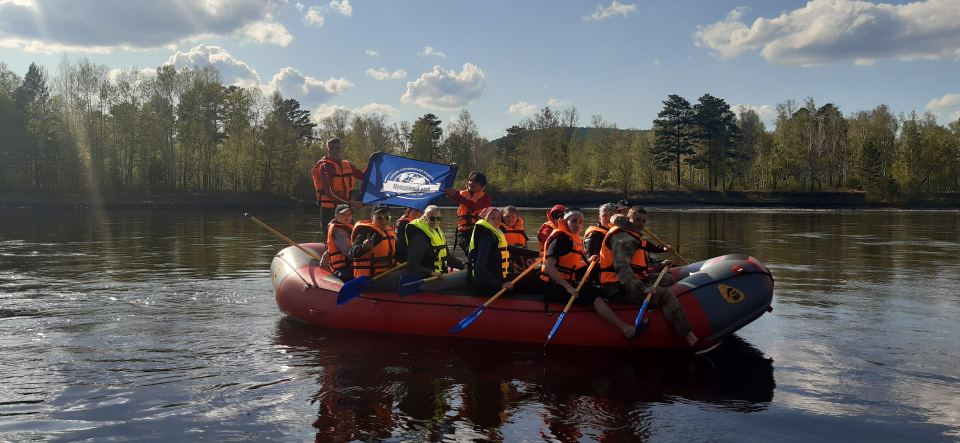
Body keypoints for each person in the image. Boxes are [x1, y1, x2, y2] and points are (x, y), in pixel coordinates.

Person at [599, 207, 720, 353]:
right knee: (666, 295)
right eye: (637, 220)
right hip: (617, 287)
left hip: (633, 278)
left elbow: (637, 265)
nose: (640, 224)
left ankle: (674, 311)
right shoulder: (624, 239)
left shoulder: (632, 234)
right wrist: (642, 288)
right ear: (628, 219)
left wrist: (657, 265)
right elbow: (622, 268)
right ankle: (691, 340)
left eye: (643, 221)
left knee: (668, 278)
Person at [539, 208, 637, 338]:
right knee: (593, 294)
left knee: (599, 290)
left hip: (564, 283)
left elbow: (568, 266)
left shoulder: (571, 239)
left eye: (580, 222)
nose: (577, 225)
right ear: (565, 221)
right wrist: (568, 287)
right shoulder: (559, 240)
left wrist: (588, 261)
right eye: (574, 221)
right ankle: (625, 328)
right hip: (552, 287)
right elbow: (549, 267)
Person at [404, 205, 467, 291]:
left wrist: (462, 266)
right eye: (432, 218)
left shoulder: (437, 232)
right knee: (466, 275)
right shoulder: (420, 238)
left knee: (469, 272)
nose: (436, 221)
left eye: (438, 219)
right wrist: (431, 273)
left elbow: (447, 256)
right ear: (425, 218)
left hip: (440, 275)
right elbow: (412, 266)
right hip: (426, 280)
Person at [311, 137, 365, 233]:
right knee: (332, 239)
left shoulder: (346, 164)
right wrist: (352, 202)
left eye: (337, 148)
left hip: (346, 210)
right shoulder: (325, 166)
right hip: (329, 211)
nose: (334, 151)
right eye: (331, 148)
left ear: (341, 148)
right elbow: (330, 192)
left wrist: (373, 160)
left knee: (351, 237)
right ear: (326, 149)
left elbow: (363, 177)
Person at [347, 204, 402, 291]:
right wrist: (363, 247)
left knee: (413, 271)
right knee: (405, 275)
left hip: (386, 274)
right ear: (372, 216)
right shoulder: (366, 231)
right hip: (370, 279)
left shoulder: (389, 231)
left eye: (387, 217)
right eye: (380, 218)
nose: (384, 220)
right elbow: (352, 252)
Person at [466, 207, 512, 297]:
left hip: (495, 278)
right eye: (493, 218)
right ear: (484, 218)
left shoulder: (493, 234)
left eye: (498, 218)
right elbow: (480, 268)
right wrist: (501, 285)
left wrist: (538, 254)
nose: (497, 221)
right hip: (485, 285)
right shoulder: (486, 238)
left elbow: (508, 248)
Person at [445, 171, 492, 255]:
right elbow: (446, 188)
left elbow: (475, 206)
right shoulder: (461, 195)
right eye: (470, 181)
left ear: (482, 186)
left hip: (480, 232)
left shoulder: (486, 198)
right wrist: (452, 170)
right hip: (464, 234)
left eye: (475, 182)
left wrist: (455, 195)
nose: (471, 183)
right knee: (472, 252)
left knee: (481, 253)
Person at [325, 204, 356, 282]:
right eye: (343, 215)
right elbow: (350, 253)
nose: (347, 217)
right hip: (342, 270)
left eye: (349, 214)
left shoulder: (347, 228)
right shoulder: (338, 232)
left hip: (349, 267)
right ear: (337, 216)